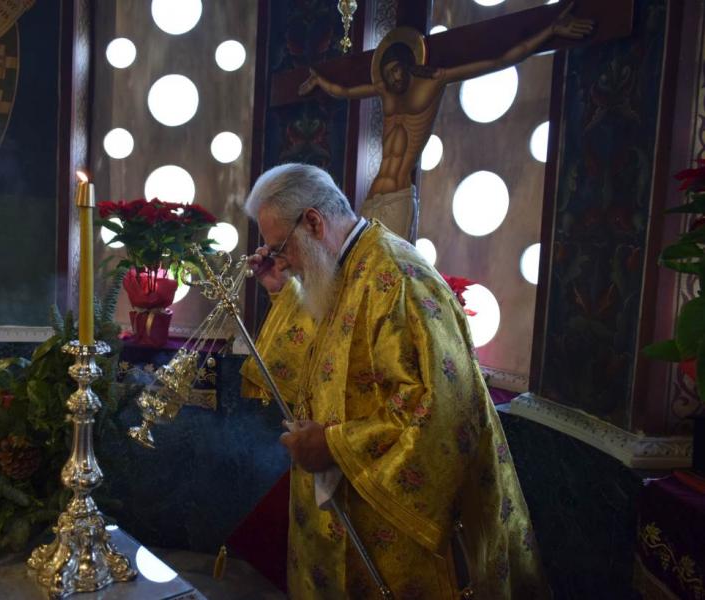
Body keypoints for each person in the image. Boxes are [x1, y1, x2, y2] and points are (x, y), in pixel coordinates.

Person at [240, 163, 548, 599]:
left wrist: (333, 444)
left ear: (313, 222)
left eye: (280, 247)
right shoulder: (344, 265)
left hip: (396, 528)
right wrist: (282, 289)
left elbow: (441, 409)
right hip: (345, 501)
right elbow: (321, 359)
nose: (279, 259)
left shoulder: (398, 278)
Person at [298, 3, 593, 242]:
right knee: (359, 271)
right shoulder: (385, 92)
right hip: (372, 197)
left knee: (387, 274)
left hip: (399, 195)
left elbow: (497, 60)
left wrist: (549, 30)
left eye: (398, 70)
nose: (394, 77)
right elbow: (346, 90)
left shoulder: (432, 82)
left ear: (409, 65)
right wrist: (320, 81)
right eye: (388, 73)